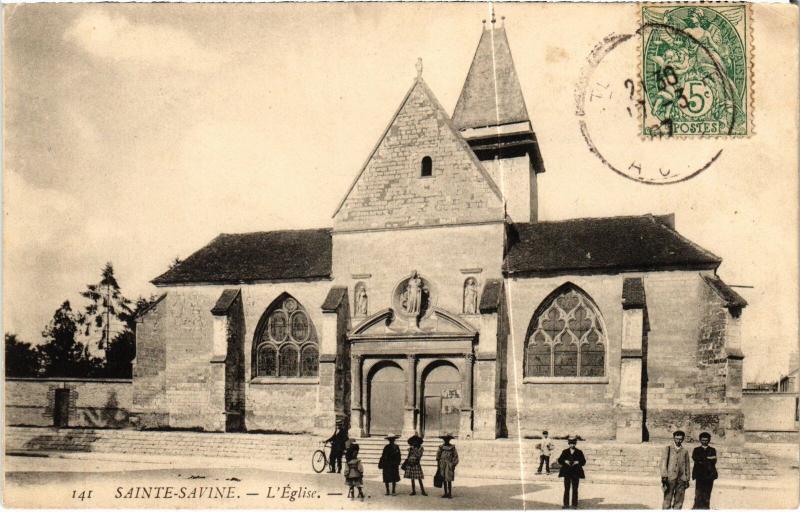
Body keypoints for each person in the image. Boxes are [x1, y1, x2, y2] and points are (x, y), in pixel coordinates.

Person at [660, 430, 691, 509]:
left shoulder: (685, 451)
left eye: (680, 439)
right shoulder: (668, 449)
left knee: (679, 501)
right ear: (674, 438)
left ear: (683, 439)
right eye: (677, 439)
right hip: (670, 478)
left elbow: (687, 465)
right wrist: (664, 476)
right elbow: (663, 463)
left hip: (681, 479)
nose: (678, 441)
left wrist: (687, 479)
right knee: (667, 499)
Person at [557, 435, 586, 509]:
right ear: (568, 444)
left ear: (575, 444)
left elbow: (583, 462)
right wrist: (565, 461)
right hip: (567, 472)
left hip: (576, 473)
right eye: (570, 443)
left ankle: (574, 505)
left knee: (575, 489)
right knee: (566, 489)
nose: (572, 445)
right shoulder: (565, 451)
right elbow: (559, 460)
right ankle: (566, 504)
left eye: (573, 444)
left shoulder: (579, 452)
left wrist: (578, 462)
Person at [691, 432, 718, 509]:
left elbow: (713, 461)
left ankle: (706, 508)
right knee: (698, 492)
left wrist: (703, 459)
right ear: (700, 440)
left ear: (709, 440)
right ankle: (696, 508)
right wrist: (708, 458)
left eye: (706, 440)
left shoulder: (712, 450)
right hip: (699, 475)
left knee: (707, 493)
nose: (705, 442)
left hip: (709, 475)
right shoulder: (696, 449)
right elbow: (696, 459)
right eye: (703, 440)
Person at [436, 433, 459, 499]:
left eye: (447, 439)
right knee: (443, 479)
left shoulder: (452, 447)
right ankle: (445, 493)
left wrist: (453, 464)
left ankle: (450, 493)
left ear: (449, 440)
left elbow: (455, 456)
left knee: (449, 479)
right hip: (442, 464)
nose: (446, 441)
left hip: (449, 464)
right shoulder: (441, 447)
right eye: (445, 439)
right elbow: (438, 456)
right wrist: (438, 465)